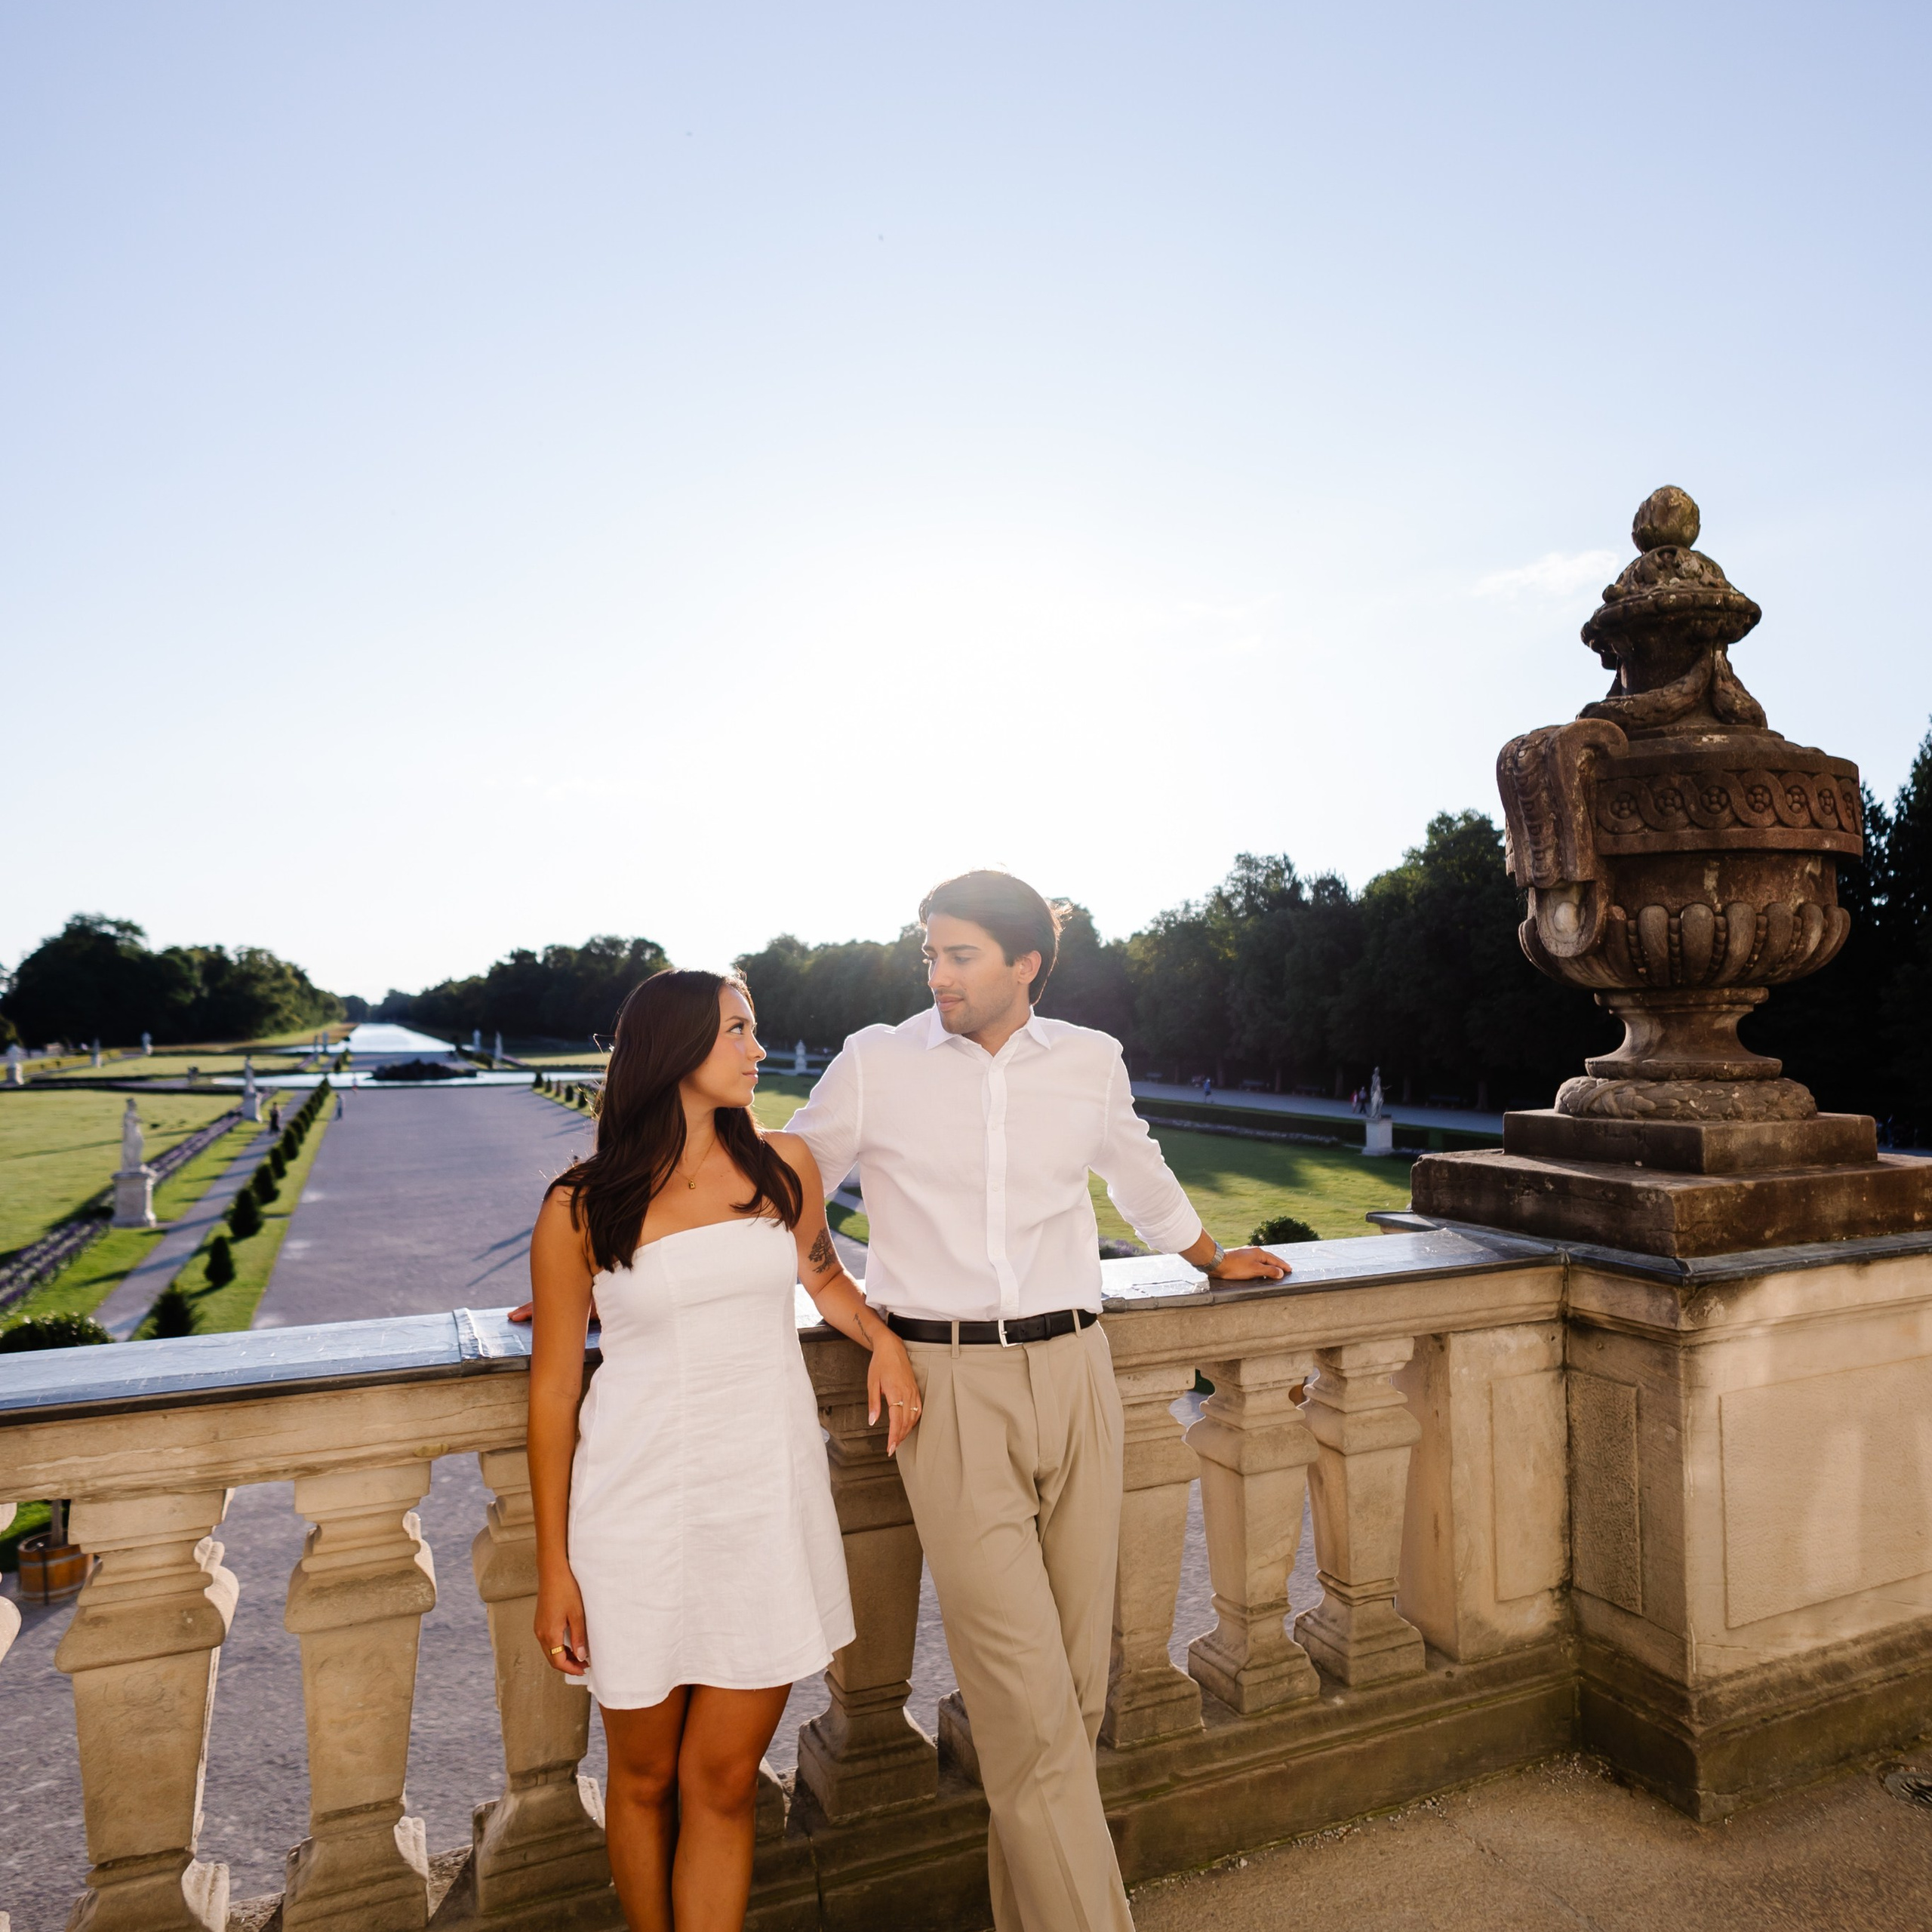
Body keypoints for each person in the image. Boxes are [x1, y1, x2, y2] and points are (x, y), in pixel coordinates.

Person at [783, 870, 1289, 1932]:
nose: (939, 975)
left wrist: (1207, 1256)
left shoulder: (1089, 1062)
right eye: (929, 953)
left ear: (1026, 966)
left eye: (960, 955)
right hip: (946, 1389)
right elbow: (783, 1184)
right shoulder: (878, 1061)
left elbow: (1138, 1175)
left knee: (1075, 1694)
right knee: (1026, 1705)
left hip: (1079, 1374)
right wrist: (606, 1247)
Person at [524, 967, 920, 1932]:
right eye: (737, 1031)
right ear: (672, 1051)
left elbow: (825, 1280)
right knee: (647, 1776)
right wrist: (552, 1567)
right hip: (634, 1514)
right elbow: (553, 1388)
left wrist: (887, 1340)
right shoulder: (579, 1206)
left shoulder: (784, 1166)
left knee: (724, 1779)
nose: (757, 1050)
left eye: (755, 1027)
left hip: (760, 1504)